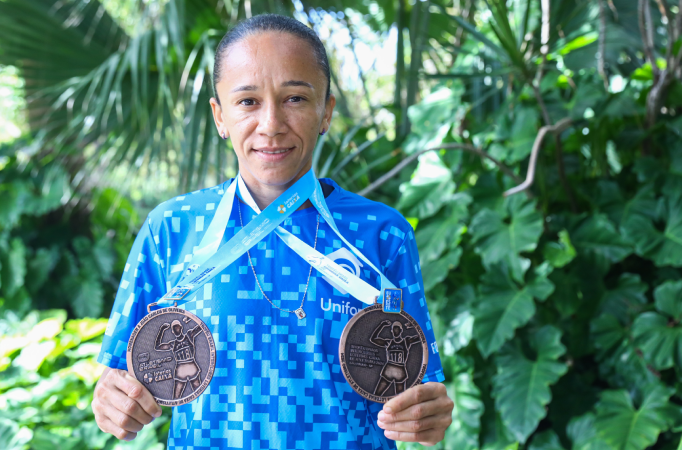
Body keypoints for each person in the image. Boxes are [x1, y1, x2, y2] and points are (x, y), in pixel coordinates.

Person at [92, 13, 454, 449]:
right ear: (219, 115)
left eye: (296, 98)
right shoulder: (172, 228)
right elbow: (118, 378)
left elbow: (421, 387)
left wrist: (427, 412)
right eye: (247, 102)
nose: (271, 124)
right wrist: (112, 400)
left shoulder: (381, 232)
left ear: (326, 111)